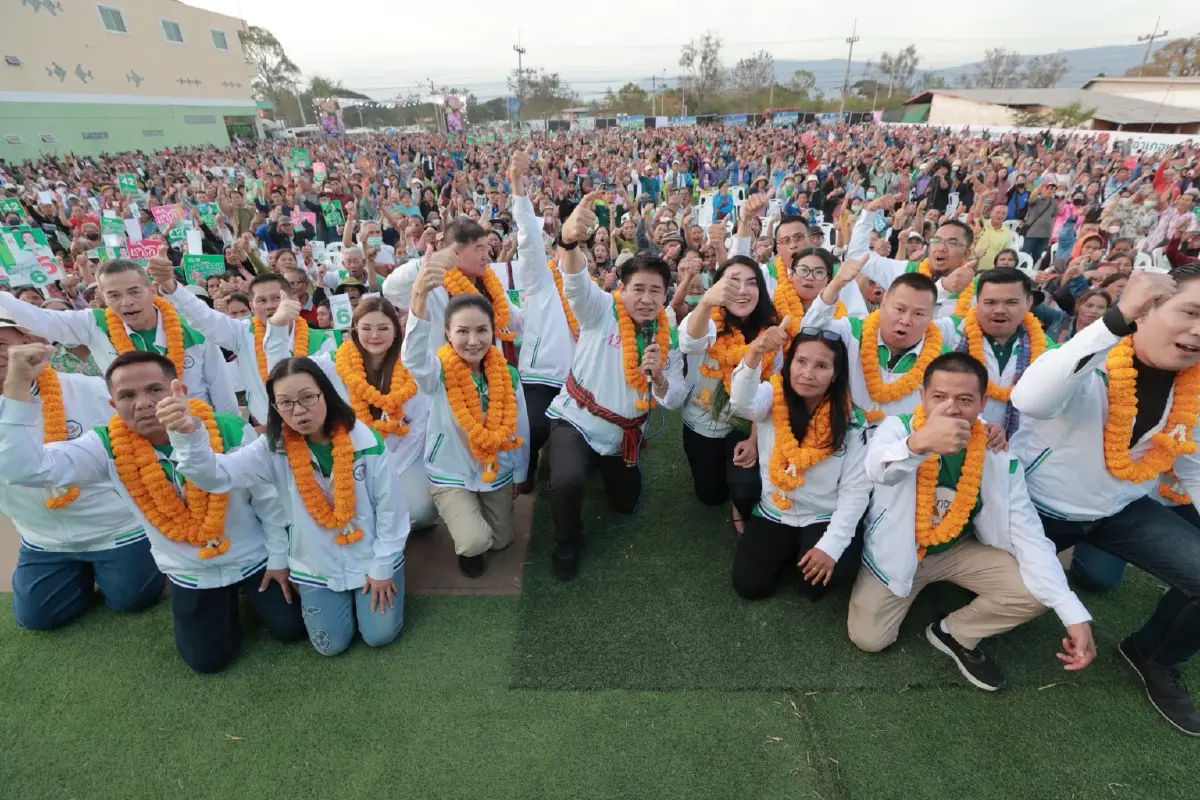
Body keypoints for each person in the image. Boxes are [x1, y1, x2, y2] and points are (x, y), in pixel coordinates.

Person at [0, 349, 305, 672]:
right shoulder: (105, 446)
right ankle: (225, 601)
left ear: (179, 391)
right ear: (113, 405)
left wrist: (278, 558)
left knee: (292, 628)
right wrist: (18, 386)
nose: (142, 403)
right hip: (191, 570)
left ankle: (245, 594)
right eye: (127, 395)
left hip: (254, 557)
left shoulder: (228, 428)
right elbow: (25, 469)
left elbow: (268, 502)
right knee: (207, 661)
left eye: (154, 389)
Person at [1011, 265, 1200, 735]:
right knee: (1014, 595)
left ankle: (1152, 655)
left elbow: (1193, 464)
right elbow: (1029, 399)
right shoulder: (1095, 352)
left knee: (1105, 577)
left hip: (1121, 510)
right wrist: (1116, 318)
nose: (1199, 331)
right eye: (1191, 312)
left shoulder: (1194, 385)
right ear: (1147, 309)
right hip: (1039, 507)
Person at [849, 352, 1095, 690]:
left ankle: (953, 631)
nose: (950, 408)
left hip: (959, 549)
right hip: (897, 551)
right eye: (939, 396)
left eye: (964, 400)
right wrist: (919, 444)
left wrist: (1072, 612)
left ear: (982, 403)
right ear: (922, 396)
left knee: (1037, 593)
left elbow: (1028, 534)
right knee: (869, 640)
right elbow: (878, 469)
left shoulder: (996, 451)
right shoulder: (898, 428)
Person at [158, 356, 407, 657]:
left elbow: (391, 511)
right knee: (330, 646)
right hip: (316, 565)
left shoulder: (366, 441)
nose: (298, 410)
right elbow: (216, 476)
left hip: (369, 557)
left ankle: (377, 591)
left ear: (326, 393)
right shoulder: (272, 448)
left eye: (307, 397)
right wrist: (188, 434)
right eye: (285, 403)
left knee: (379, 635)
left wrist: (382, 568)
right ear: (275, 407)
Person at [545, 202, 688, 581]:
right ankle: (567, 541)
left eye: (655, 291)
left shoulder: (667, 335)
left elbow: (675, 398)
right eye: (637, 288)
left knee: (625, 502)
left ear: (665, 295)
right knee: (567, 481)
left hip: (625, 435)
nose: (646, 298)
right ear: (621, 288)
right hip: (576, 419)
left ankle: (595, 466)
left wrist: (659, 378)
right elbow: (575, 282)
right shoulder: (601, 309)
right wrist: (568, 242)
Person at [0, 315, 163, 630]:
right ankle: (74, 575)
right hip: (43, 537)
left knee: (132, 600)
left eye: (0, 344)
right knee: (37, 619)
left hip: (113, 529)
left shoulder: (89, 390)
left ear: (26, 342)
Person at [265, 295, 436, 531]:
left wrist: (386, 467)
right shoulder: (332, 364)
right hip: (348, 456)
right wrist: (277, 326)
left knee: (422, 511)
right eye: (366, 328)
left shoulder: (411, 365)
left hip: (402, 455)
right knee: (354, 513)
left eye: (383, 328)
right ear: (355, 329)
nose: (374, 335)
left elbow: (419, 426)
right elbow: (285, 372)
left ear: (396, 331)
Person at [727, 321, 870, 599]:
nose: (807, 374)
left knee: (815, 588)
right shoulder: (772, 397)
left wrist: (830, 547)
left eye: (821, 366)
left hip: (822, 514)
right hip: (775, 509)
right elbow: (742, 403)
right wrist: (755, 351)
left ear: (835, 374)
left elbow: (855, 490)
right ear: (789, 364)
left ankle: (808, 548)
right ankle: (785, 547)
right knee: (750, 586)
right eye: (801, 362)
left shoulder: (852, 419)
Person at [0, 254, 237, 413]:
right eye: (114, 295)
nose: (126, 302)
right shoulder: (93, 324)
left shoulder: (191, 326)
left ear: (151, 290)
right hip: (136, 435)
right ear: (103, 297)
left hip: (198, 426)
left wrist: (231, 432)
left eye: (134, 292)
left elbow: (220, 388)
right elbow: (40, 320)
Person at [402, 293, 529, 577]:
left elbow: (520, 427)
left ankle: (473, 517)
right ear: (447, 333)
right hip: (450, 473)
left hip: (495, 470)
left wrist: (520, 473)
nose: (473, 341)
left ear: (493, 330)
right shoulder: (437, 372)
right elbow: (413, 359)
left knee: (501, 541)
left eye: (482, 330)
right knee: (475, 542)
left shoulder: (507, 374)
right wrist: (419, 297)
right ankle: (467, 538)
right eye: (462, 331)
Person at [149, 257, 334, 425]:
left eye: (277, 298)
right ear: (251, 306)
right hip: (267, 430)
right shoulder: (242, 333)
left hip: (316, 426)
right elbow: (204, 317)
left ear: (294, 299)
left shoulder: (322, 341)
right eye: (262, 300)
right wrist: (170, 286)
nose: (270, 306)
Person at [679, 255, 779, 533]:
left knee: (746, 489)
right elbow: (690, 340)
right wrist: (707, 302)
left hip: (746, 424)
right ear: (718, 287)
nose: (743, 290)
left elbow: (773, 388)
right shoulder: (706, 319)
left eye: (751, 282)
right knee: (711, 496)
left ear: (761, 289)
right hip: (703, 421)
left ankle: (738, 501)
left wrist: (754, 439)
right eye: (733, 282)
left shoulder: (771, 330)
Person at [508, 146, 575, 494]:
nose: (574, 254)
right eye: (567, 247)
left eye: (580, 249)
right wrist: (517, 185)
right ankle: (528, 466)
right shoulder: (540, 278)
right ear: (556, 250)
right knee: (532, 428)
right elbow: (529, 241)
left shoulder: (591, 290)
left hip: (578, 380)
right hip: (539, 377)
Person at [384, 218, 522, 357]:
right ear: (455, 252)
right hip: (448, 367)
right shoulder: (434, 285)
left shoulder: (491, 283)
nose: (486, 257)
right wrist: (426, 263)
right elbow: (390, 290)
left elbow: (515, 322)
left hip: (492, 367)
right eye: (479, 249)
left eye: (487, 249)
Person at [954, 269, 1056, 437]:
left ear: (1028, 302)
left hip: (1022, 446)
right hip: (959, 441)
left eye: (1011, 302)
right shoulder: (951, 336)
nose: (999, 310)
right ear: (978, 301)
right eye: (990, 302)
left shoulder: (1047, 352)